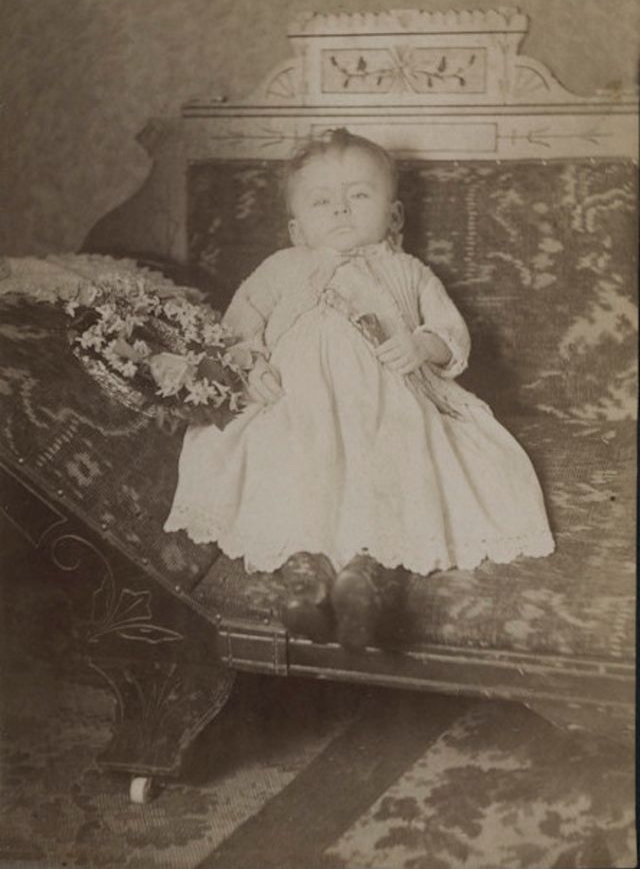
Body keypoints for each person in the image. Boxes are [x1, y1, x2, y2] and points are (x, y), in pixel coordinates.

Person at [165, 128, 554, 648]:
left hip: (388, 407)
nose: (341, 209)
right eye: (321, 200)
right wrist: (251, 368)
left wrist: (421, 346)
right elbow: (235, 333)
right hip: (298, 407)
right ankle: (306, 577)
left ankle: (369, 579)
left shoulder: (409, 272)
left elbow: (450, 333)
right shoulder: (280, 269)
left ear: (394, 216)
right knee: (290, 473)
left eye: (359, 195)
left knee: (400, 474)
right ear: (297, 228)